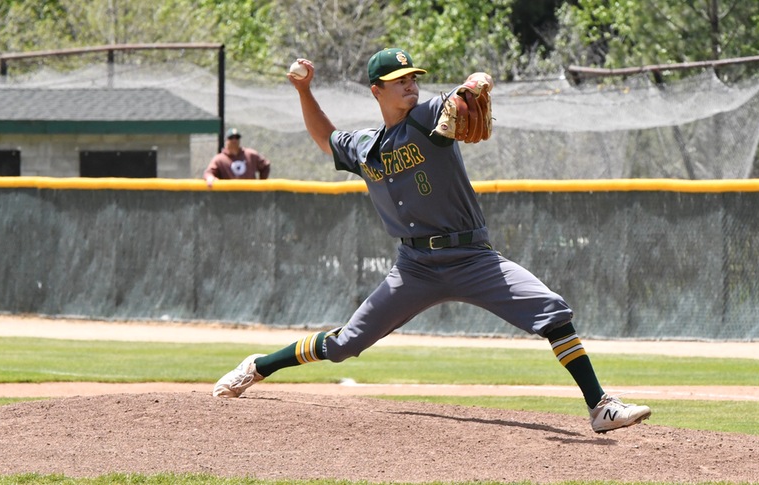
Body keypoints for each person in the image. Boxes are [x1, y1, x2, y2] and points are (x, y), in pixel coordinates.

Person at [212, 48, 652, 433]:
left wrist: (476, 84)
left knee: (552, 310)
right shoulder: (365, 146)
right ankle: (259, 366)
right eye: (398, 80)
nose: (410, 85)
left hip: (472, 257)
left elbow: (468, 89)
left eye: (412, 77)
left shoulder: (427, 118)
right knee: (345, 344)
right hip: (415, 268)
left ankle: (600, 406)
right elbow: (326, 139)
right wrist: (304, 91)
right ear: (376, 91)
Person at [203, 127, 271, 187]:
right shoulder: (219, 159)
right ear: (226, 140)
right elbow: (208, 173)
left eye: (237, 137)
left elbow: (265, 165)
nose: (234, 140)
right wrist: (210, 178)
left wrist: (261, 183)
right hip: (228, 195)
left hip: (251, 194)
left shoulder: (250, 155)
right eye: (231, 138)